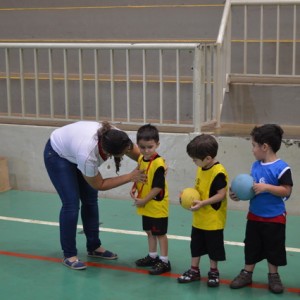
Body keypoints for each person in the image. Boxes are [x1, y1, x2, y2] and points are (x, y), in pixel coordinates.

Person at [43, 120, 146, 270]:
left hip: (74, 147)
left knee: (90, 200)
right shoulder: (88, 155)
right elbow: (100, 184)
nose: (126, 153)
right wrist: (130, 177)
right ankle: (69, 254)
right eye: (123, 154)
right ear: (110, 153)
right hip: (58, 154)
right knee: (71, 204)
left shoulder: (116, 136)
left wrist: (157, 163)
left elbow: (137, 154)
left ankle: (94, 247)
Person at [229, 124, 293, 294]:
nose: (253, 149)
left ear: (264, 147)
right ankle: (247, 272)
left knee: (274, 248)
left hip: (274, 218)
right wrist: (237, 194)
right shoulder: (255, 166)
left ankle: (273, 275)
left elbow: (286, 190)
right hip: (255, 216)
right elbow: (250, 188)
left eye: (254, 145)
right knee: (251, 246)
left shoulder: (282, 168)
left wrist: (267, 187)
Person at [177, 134, 228, 287]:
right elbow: (199, 189)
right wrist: (187, 196)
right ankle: (194, 270)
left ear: (207, 158)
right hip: (199, 218)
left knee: (214, 249)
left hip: (213, 220)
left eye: (195, 159)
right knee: (196, 246)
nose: (193, 162)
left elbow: (221, 195)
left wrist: (203, 203)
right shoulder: (202, 167)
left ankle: (213, 272)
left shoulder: (218, 172)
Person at [130, 124, 171, 275]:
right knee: (149, 232)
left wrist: (144, 200)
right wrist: (134, 187)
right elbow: (139, 173)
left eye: (150, 147)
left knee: (160, 234)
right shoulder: (141, 158)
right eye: (142, 147)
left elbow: (158, 187)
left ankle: (165, 261)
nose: (146, 151)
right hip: (145, 204)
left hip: (156, 205)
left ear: (157, 145)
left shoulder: (159, 164)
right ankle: (153, 256)